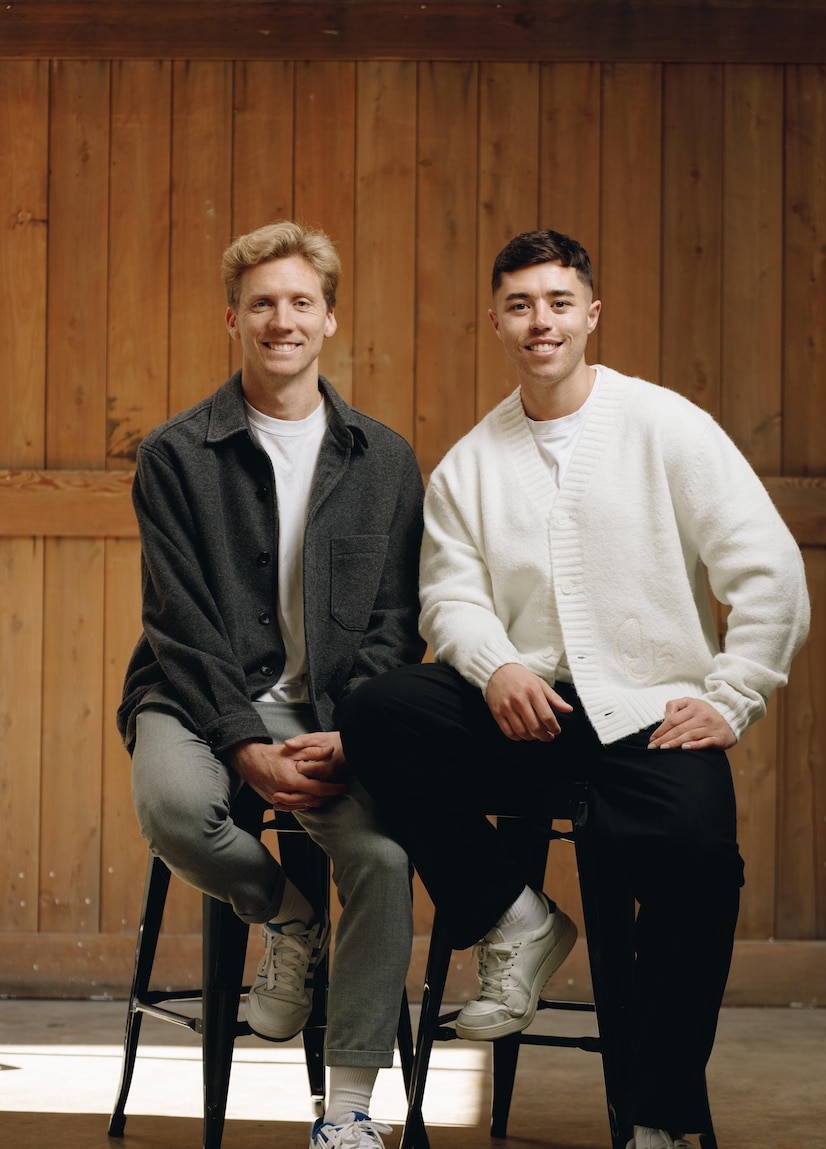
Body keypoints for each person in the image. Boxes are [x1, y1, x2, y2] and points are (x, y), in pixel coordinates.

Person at [337, 230, 810, 1149]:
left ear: (591, 314)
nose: (540, 321)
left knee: (701, 863)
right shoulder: (472, 462)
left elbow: (768, 566)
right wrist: (496, 665)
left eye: (558, 302)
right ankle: (514, 917)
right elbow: (451, 596)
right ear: (496, 321)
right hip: (527, 716)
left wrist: (734, 691)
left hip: (647, 715)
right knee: (379, 714)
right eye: (520, 304)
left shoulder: (663, 424)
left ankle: (661, 1117)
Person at [118, 220, 425, 1149]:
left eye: (300, 302)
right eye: (262, 303)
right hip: (193, 689)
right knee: (175, 806)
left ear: (330, 319)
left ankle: (349, 1111)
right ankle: (289, 922)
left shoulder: (386, 460)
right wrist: (240, 741)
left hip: (330, 711)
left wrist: (354, 732)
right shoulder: (177, 454)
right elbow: (180, 619)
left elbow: (396, 622)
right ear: (232, 318)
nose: (281, 320)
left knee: (379, 858)